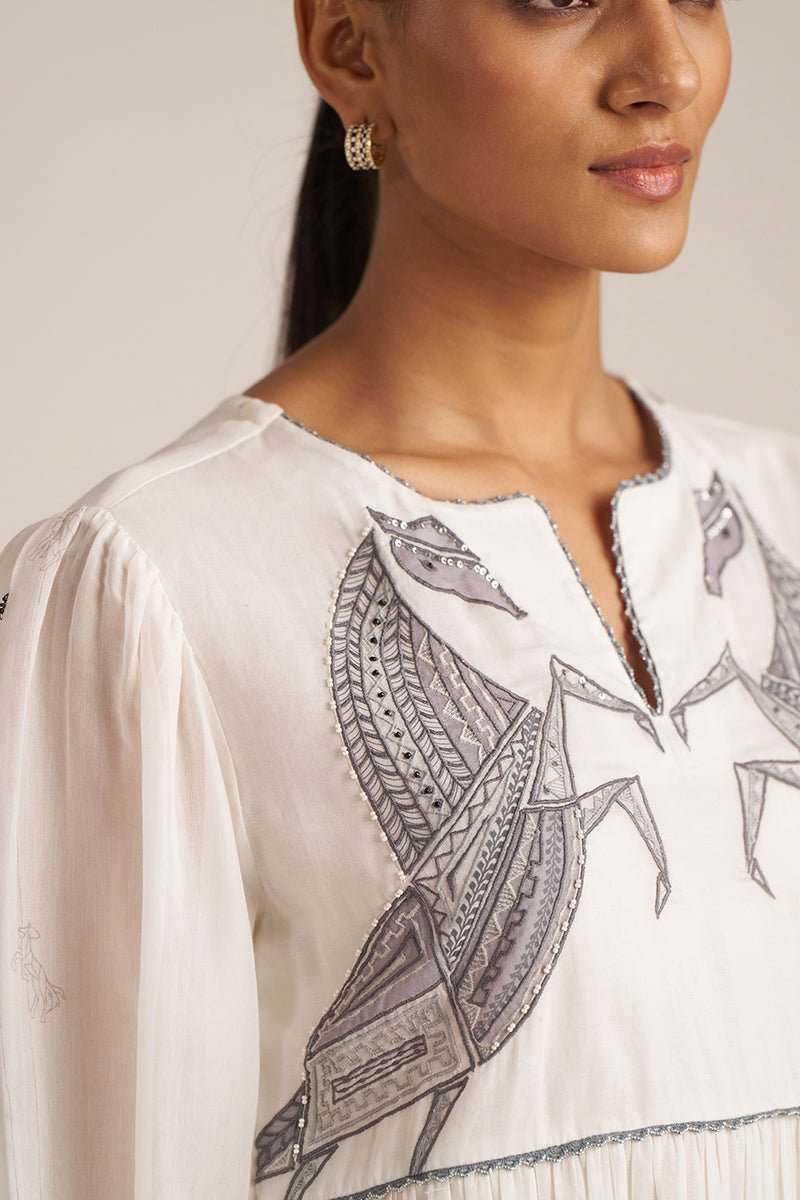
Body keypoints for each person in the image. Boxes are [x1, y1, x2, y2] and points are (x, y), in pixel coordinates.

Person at [1, 1, 798, 1197]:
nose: (665, 68)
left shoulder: (780, 506)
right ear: (349, 45)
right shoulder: (157, 580)